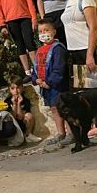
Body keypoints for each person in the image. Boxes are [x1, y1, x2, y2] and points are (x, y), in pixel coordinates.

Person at [32, 19, 72, 150]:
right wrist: (35, 80)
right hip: (45, 87)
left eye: (46, 30)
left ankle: (71, 133)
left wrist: (48, 82)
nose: (43, 34)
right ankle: (61, 133)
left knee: (64, 109)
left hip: (57, 86)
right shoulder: (39, 50)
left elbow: (59, 69)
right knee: (54, 109)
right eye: (41, 31)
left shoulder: (58, 48)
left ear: (54, 32)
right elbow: (35, 68)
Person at [7, 75, 41, 143]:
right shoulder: (7, 101)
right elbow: (12, 117)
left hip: (22, 125)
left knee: (29, 115)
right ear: (9, 90)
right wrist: (14, 104)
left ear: (22, 88)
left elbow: (20, 117)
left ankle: (28, 135)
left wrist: (19, 104)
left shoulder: (25, 100)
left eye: (18, 88)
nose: (16, 91)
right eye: (13, 88)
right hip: (12, 127)